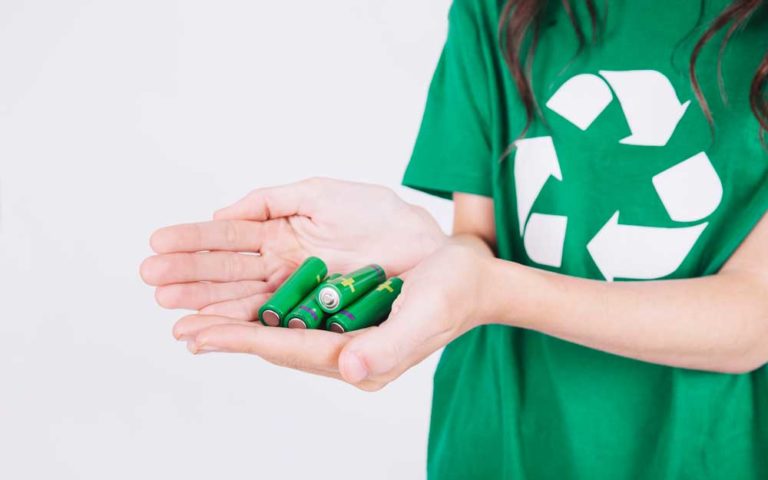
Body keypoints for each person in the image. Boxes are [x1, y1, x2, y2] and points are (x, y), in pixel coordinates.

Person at [140, 0, 768, 478]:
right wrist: (426, 251)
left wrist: (489, 290)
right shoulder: (502, 7)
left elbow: (754, 317)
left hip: (709, 450)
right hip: (499, 439)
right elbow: (478, 241)